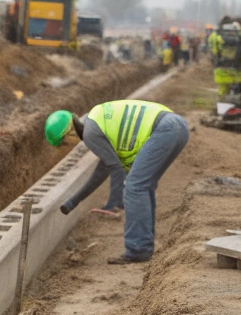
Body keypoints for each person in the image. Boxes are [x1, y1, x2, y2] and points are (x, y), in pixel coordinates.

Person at [45, 99, 191, 263]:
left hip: (164, 130)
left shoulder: (90, 133)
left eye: (64, 143)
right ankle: (143, 246)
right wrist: (73, 202)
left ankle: (137, 249)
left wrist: (115, 201)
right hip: (178, 126)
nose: (68, 146)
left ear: (68, 133)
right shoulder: (96, 122)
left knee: (134, 187)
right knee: (143, 186)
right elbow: (103, 169)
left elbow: (115, 168)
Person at [209, 21, 241, 105]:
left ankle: (221, 106)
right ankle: (235, 106)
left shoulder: (218, 38)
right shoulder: (240, 39)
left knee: (222, 90)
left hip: (221, 70)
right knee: (236, 91)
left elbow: (214, 51)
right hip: (236, 70)